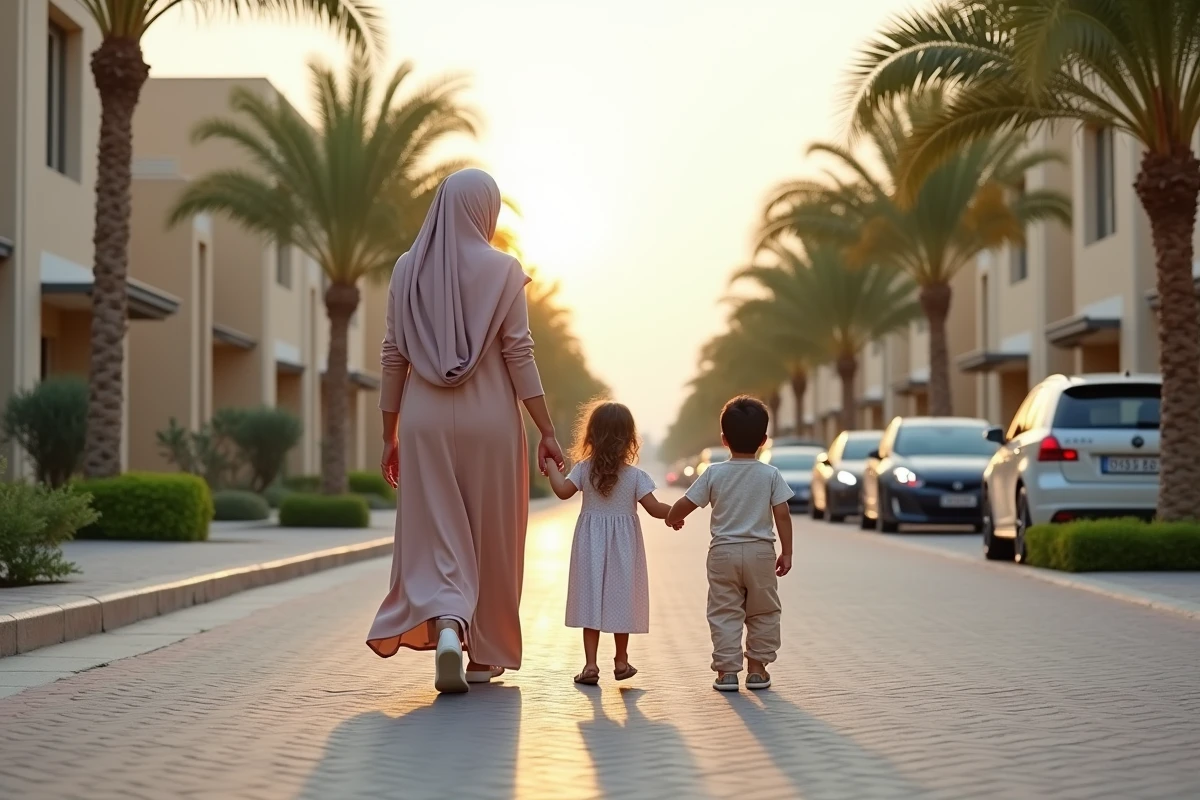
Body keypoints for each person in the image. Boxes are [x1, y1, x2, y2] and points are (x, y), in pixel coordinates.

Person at [366, 168, 565, 695]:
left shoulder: (406, 270)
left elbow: (392, 358)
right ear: (485, 212)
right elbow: (519, 352)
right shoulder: (503, 270)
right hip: (492, 418)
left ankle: (450, 625)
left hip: (424, 419)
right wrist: (546, 430)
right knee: (490, 533)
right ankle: (484, 656)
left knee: (439, 533)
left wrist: (389, 435)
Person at [543, 401, 679, 685]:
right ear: (629, 439)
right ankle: (621, 661)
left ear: (591, 435)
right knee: (621, 600)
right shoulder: (635, 476)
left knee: (591, 598)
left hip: (590, 544)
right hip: (624, 548)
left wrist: (550, 466)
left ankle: (591, 665)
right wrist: (675, 515)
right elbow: (655, 508)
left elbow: (562, 491)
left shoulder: (583, 470)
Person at [666, 396, 794, 692]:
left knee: (724, 611)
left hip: (722, 553)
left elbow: (686, 503)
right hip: (761, 553)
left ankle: (726, 673)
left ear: (724, 439)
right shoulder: (770, 474)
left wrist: (672, 518)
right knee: (762, 611)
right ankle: (758, 670)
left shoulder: (713, 473)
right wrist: (786, 552)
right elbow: (783, 515)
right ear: (763, 440)